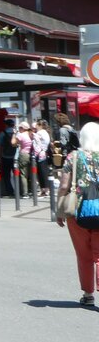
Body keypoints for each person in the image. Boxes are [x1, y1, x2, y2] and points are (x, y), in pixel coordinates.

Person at [56, 121, 99, 306]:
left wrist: (59, 210)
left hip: (77, 212)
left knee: (84, 255)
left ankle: (88, 294)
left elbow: (64, 185)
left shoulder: (73, 157)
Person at [0, 116, 17, 197]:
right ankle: (19, 190)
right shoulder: (16, 133)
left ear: (6, 125)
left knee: (6, 175)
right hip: (15, 157)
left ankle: (10, 192)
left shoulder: (2, 133)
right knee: (16, 174)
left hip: (5, 157)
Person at [15, 120, 34, 197]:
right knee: (32, 174)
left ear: (22, 128)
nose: (19, 129)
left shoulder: (21, 135)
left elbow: (13, 143)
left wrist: (14, 135)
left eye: (19, 127)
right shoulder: (31, 134)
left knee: (23, 174)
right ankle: (32, 191)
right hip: (32, 154)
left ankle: (25, 193)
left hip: (24, 154)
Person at [33, 119, 52, 197]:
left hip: (39, 154)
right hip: (44, 153)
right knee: (43, 171)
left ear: (39, 125)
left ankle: (44, 189)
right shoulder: (46, 133)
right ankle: (45, 189)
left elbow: (35, 143)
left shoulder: (39, 133)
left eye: (37, 125)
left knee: (41, 172)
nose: (36, 126)